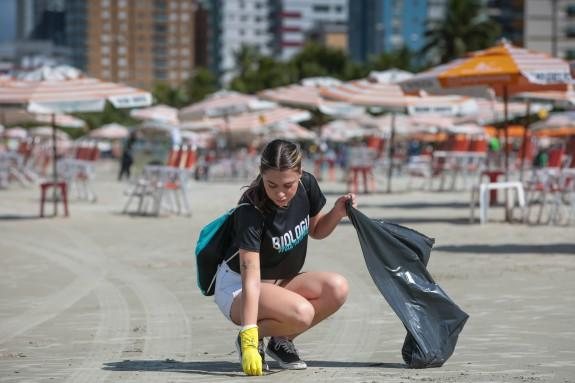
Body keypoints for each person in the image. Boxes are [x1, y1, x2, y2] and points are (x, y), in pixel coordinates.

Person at [214, 139, 357, 376]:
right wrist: (249, 332)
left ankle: (280, 341)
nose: (280, 193)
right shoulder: (250, 209)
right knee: (302, 313)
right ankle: (250, 340)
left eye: (287, 185)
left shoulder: (307, 185)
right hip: (239, 288)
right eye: (271, 185)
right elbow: (250, 273)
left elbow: (317, 230)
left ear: (300, 174)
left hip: (281, 282)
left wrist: (338, 212)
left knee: (337, 287)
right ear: (261, 176)